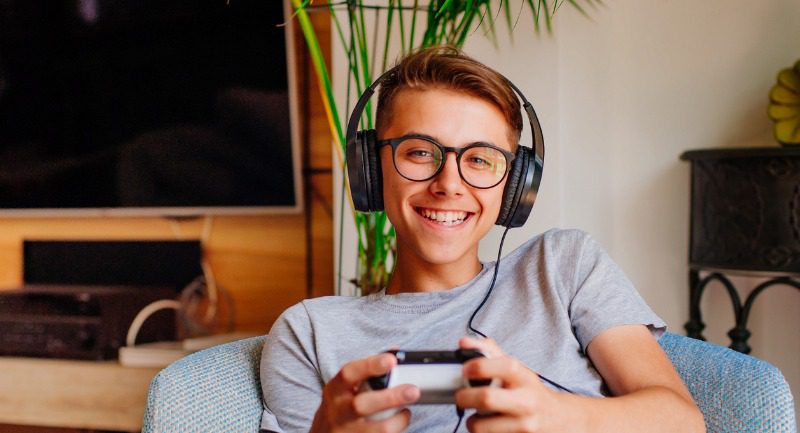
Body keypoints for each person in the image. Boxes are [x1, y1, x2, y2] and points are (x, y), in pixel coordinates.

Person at [259, 46, 705, 433]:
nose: (450, 184)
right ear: (370, 171)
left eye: (480, 159)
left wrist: (558, 416)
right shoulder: (310, 333)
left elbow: (683, 422)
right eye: (419, 152)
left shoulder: (563, 265)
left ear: (514, 187)